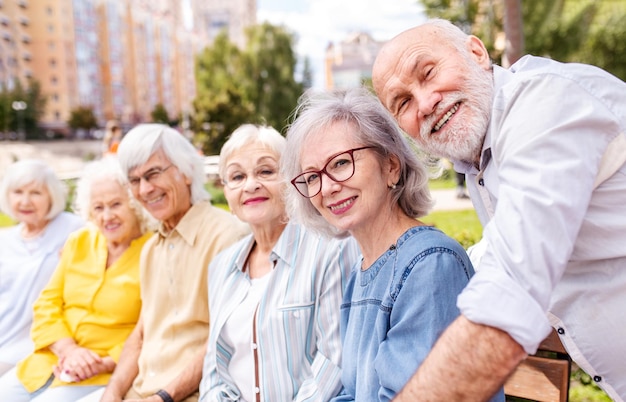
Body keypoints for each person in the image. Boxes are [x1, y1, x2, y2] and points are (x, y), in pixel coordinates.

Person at [372, 18, 626, 401]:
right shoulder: (480, 160)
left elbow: (511, 290)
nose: (425, 104)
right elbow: (497, 249)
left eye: (428, 72)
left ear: (477, 52)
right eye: (403, 103)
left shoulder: (544, 105)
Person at [282, 87, 501, 402]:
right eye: (312, 177)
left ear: (391, 167)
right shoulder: (362, 273)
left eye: (341, 163)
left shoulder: (429, 264)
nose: (327, 187)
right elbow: (355, 393)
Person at [81, 124, 249, 402]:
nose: (145, 189)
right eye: (134, 180)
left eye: (153, 174)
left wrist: (163, 398)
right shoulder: (150, 249)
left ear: (185, 172)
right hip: (139, 391)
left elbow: (224, 340)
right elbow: (140, 336)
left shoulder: (228, 236)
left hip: (192, 395)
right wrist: (111, 393)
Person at [199, 124, 359, 402]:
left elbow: (335, 358)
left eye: (266, 171)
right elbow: (214, 368)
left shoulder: (331, 249)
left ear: (291, 180)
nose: (251, 185)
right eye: (237, 176)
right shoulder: (221, 266)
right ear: (226, 192)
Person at [0, 157, 154, 401]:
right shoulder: (79, 241)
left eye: (116, 204)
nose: (107, 216)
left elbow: (153, 328)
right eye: (98, 207)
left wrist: (104, 361)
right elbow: (46, 305)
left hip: (103, 372)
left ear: (136, 204)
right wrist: (68, 350)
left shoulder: (154, 252)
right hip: (48, 363)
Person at [0, 159, 84, 376]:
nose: (25, 201)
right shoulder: (5, 240)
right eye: (18, 192)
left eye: (36, 193)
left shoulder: (74, 229)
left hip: (37, 341)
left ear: (51, 196)